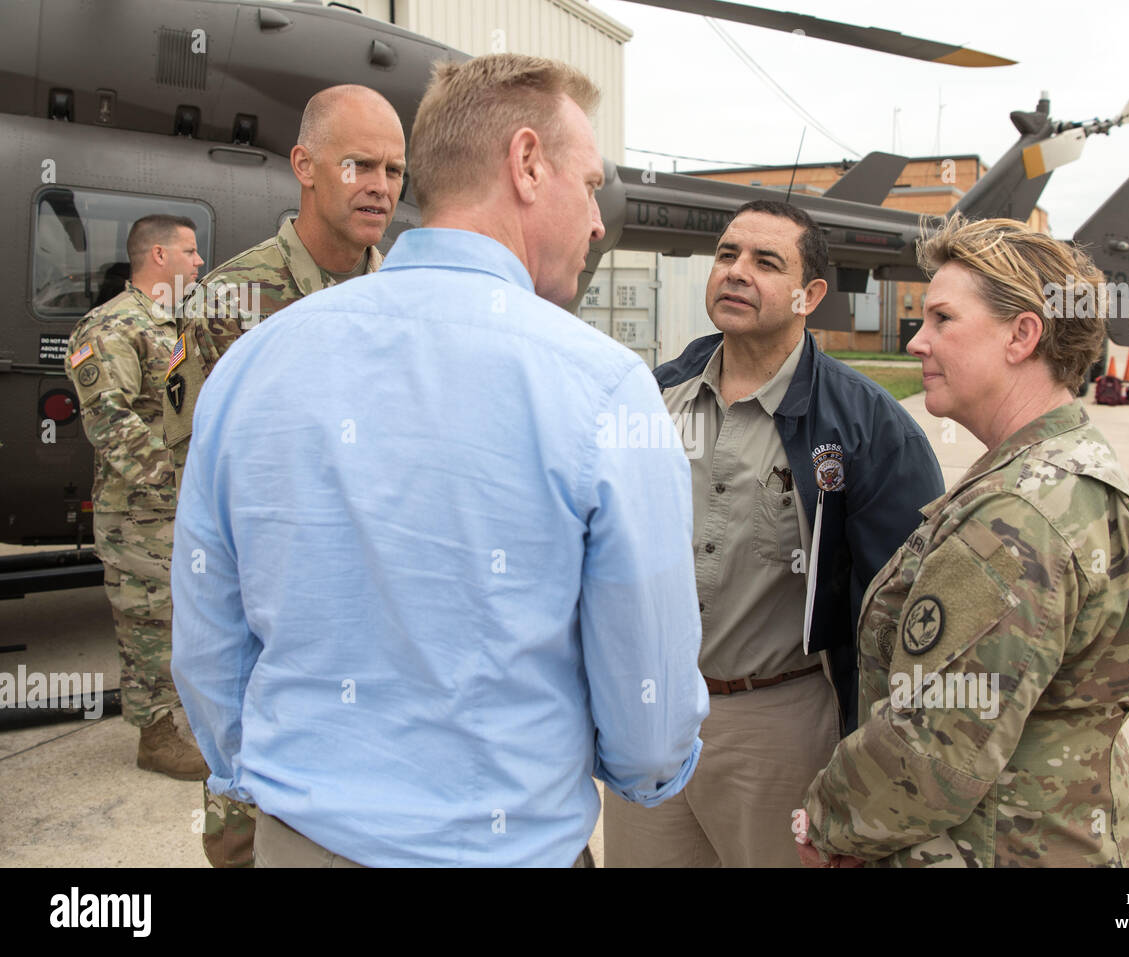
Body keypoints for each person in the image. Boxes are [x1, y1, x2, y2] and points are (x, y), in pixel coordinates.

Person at [170, 53, 708, 867]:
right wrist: (642, 776)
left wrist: (281, 775)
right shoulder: (602, 389)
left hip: (298, 839)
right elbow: (649, 718)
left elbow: (208, 647)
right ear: (527, 163)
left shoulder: (257, 361)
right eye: (591, 184)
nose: (599, 221)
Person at [796, 215, 1129, 867]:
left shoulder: (1016, 516)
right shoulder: (1064, 463)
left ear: (1023, 334)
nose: (917, 342)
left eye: (942, 319)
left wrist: (828, 821)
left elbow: (934, 750)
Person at [603, 200, 945, 867]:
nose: (737, 272)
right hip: (653, 715)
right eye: (727, 254)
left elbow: (900, 618)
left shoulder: (868, 427)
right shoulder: (650, 399)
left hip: (780, 728)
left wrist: (872, 775)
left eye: (766, 262)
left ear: (809, 293)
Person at [161, 83, 405, 868]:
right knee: (246, 833)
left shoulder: (407, 299)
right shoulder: (230, 300)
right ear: (304, 165)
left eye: (395, 171)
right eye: (359, 164)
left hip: (380, 613)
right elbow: (191, 466)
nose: (380, 187)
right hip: (271, 606)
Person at [63, 214, 206, 779]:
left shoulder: (173, 324)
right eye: (191, 252)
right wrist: (181, 478)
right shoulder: (109, 328)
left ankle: (178, 718)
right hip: (139, 515)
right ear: (159, 257)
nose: (199, 262)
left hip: (178, 510)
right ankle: (156, 736)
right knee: (148, 622)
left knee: (181, 619)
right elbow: (108, 421)